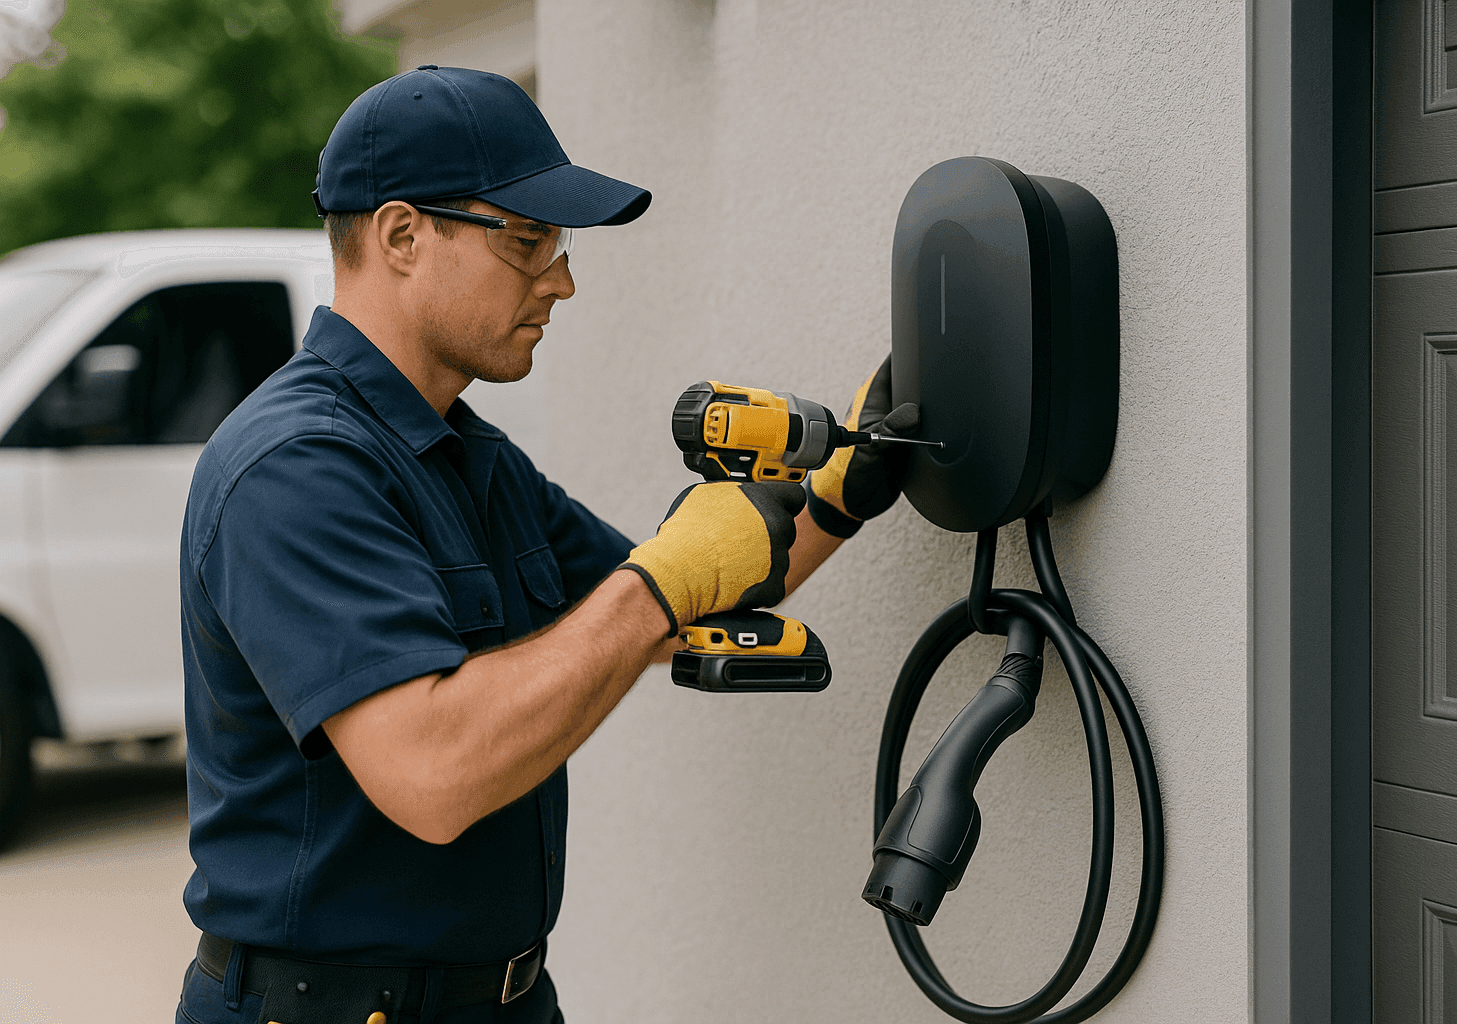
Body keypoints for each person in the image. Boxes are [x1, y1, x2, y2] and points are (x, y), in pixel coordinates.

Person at [174, 66, 916, 1024]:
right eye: (528, 243)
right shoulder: (293, 470)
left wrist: (835, 499)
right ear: (403, 235)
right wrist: (660, 584)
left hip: (507, 999)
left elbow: (674, 607)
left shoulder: (467, 454)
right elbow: (433, 775)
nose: (561, 280)